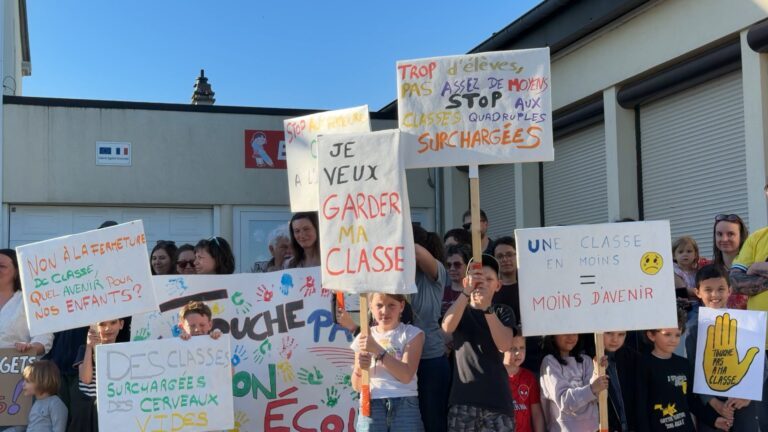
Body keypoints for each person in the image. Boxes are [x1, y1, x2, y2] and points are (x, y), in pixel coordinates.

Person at [442, 254, 516, 431]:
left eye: (488, 279)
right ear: (466, 280)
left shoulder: (502, 311)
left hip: (497, 403)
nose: (481, 283)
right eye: (476, 278)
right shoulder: (460, 310)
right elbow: (447, 328)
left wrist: (486, 309)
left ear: (498, 285)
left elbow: (504, 345)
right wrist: (466, 293)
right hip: (463, 401)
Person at [685, 265, 757, 431]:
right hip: (711, 408)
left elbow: (762, 366)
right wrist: (713, 402)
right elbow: (692, 369)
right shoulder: (694, 329)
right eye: (708, 289)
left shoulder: (746, 323)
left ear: (730, 290)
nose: (715, 295)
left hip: (744, 404)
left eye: (721, 289)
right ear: (697, 292)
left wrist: (747, 396)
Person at [636, 309, 728, 432]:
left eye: (677, 334)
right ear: (651, 335)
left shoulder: (683, 364)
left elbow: (691, 400)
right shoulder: (643, 365)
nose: (673, 339)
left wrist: (714, 420)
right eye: (667, 334)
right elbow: (640, 408)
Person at [351, 293, 425, 431]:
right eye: (379, 305)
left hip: (404, 402)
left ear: (401, 306)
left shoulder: (412, 334)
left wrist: (377, 350)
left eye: (391, 305)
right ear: (370, 306)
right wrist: (360, 369)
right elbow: (356, 385)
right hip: (371, 402)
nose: (385, 311)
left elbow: (406, 375)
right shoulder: (363, 338)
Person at [412, 224, 450, 432]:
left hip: (430, 360)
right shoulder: (396, 278)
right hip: (400, 360)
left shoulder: (435, 273)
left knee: (433, 420)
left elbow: (416, 252)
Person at [539, 334, 605, 431]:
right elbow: (564, 401)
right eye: (564, 332)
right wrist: (592, 389)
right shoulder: (549, 362)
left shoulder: (586, 360)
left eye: (574, 332)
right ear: (552, 335)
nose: (570, 337)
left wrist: (598, 371)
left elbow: (599, 397)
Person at [69, 319, 124, 432]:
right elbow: (86, 378)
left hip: (113, 409)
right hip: (88, 413)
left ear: (121, 324)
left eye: (113, 323)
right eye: (102, 324)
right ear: (94, 327)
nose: (108, 328)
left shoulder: (124, 350)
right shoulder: (84, 349)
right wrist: (90, 347)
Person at [0, 249, 53, 356]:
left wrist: (31, 347)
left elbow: (44, 336)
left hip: (15, 367)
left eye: (2, 266)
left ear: (16, 271)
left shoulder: (31, 300)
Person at [504, 334, 544, 432]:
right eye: (513, 348)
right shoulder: (495, 377)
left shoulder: (529, 378)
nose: (518, 352)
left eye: (522, 348)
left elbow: (536, 413)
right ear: (502, 349)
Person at [602, 331, 639, 432]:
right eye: (609, 333)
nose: (615, 339)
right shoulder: (585, 361)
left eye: (621, 334)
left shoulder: (634, 358)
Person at [711, 214, 748, 309]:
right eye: (719, 234)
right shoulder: (707, 267)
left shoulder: (752, 268)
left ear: (741, 236)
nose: (724, 239)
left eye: (730, 234)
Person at [22, 360, 67, 432]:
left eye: (28, 381)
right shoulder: (36, 403)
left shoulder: (55, 403)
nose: (23, 384)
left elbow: (59, 429)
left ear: (42, 381)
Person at [492, 236, 520, 323]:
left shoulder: (528, 288)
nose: (505, 259)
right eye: (500, 256)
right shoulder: (490, 291)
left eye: (509, 254)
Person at [443, 244, 470, 316]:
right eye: (448, 265)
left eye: (457, 264)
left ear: (468, 266)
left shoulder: (477, 293)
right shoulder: (441, 293)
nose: (452, 268)